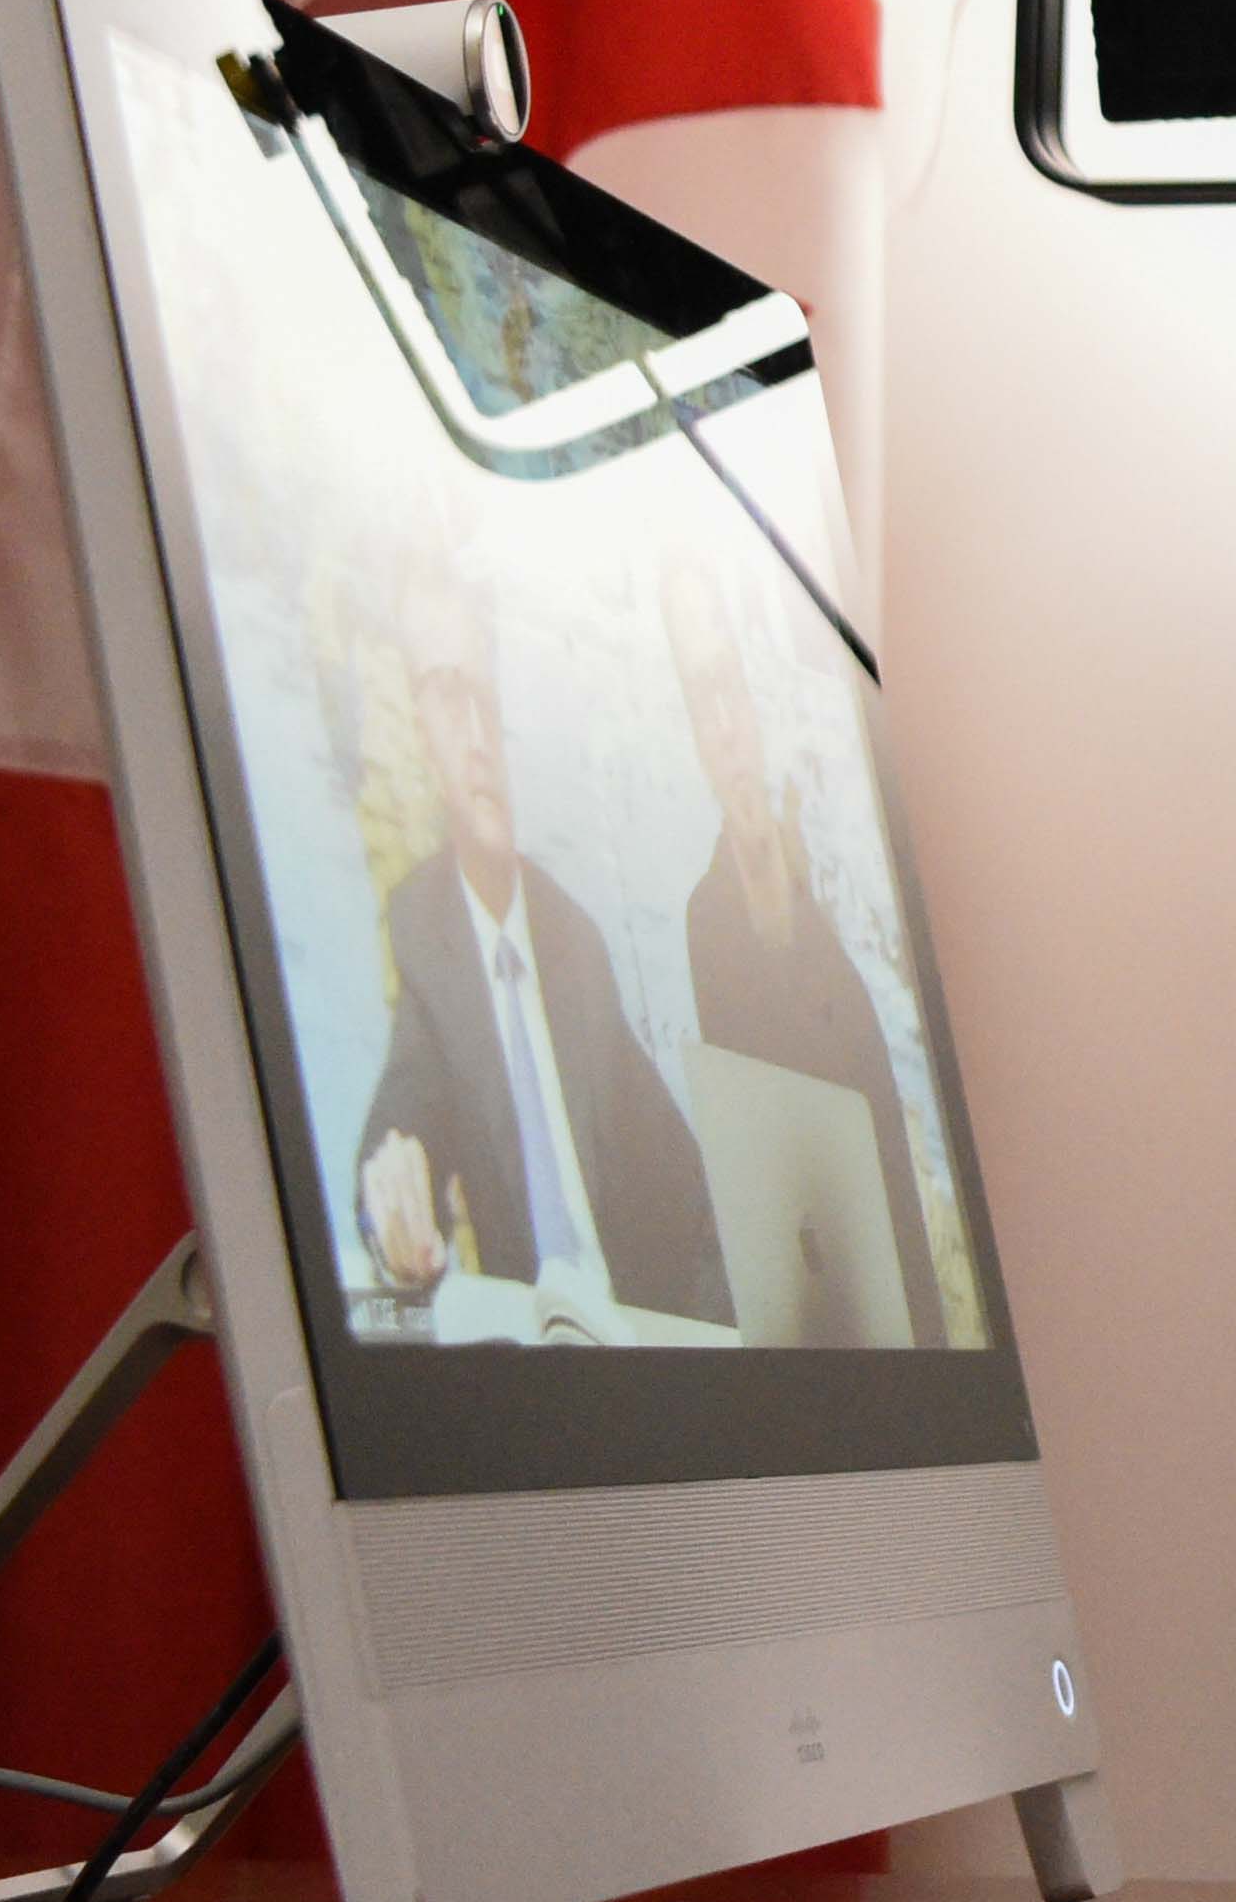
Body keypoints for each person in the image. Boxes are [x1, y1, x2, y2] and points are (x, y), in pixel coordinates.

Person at [353, 542, 733, 1330]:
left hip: (636, 1332)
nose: (475, 732)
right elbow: (407, 1104)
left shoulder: (572, 939)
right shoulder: (426, 926)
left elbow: (685, 1193)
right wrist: (391, 1199)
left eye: (484, 693)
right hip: (542, 1354)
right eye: (445, 693)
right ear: (418, 727)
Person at [658, 551, 952, 1346]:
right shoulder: (709, 921)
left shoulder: (843, 864)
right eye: (699, 700)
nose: (723, 726)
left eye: (730, 687)